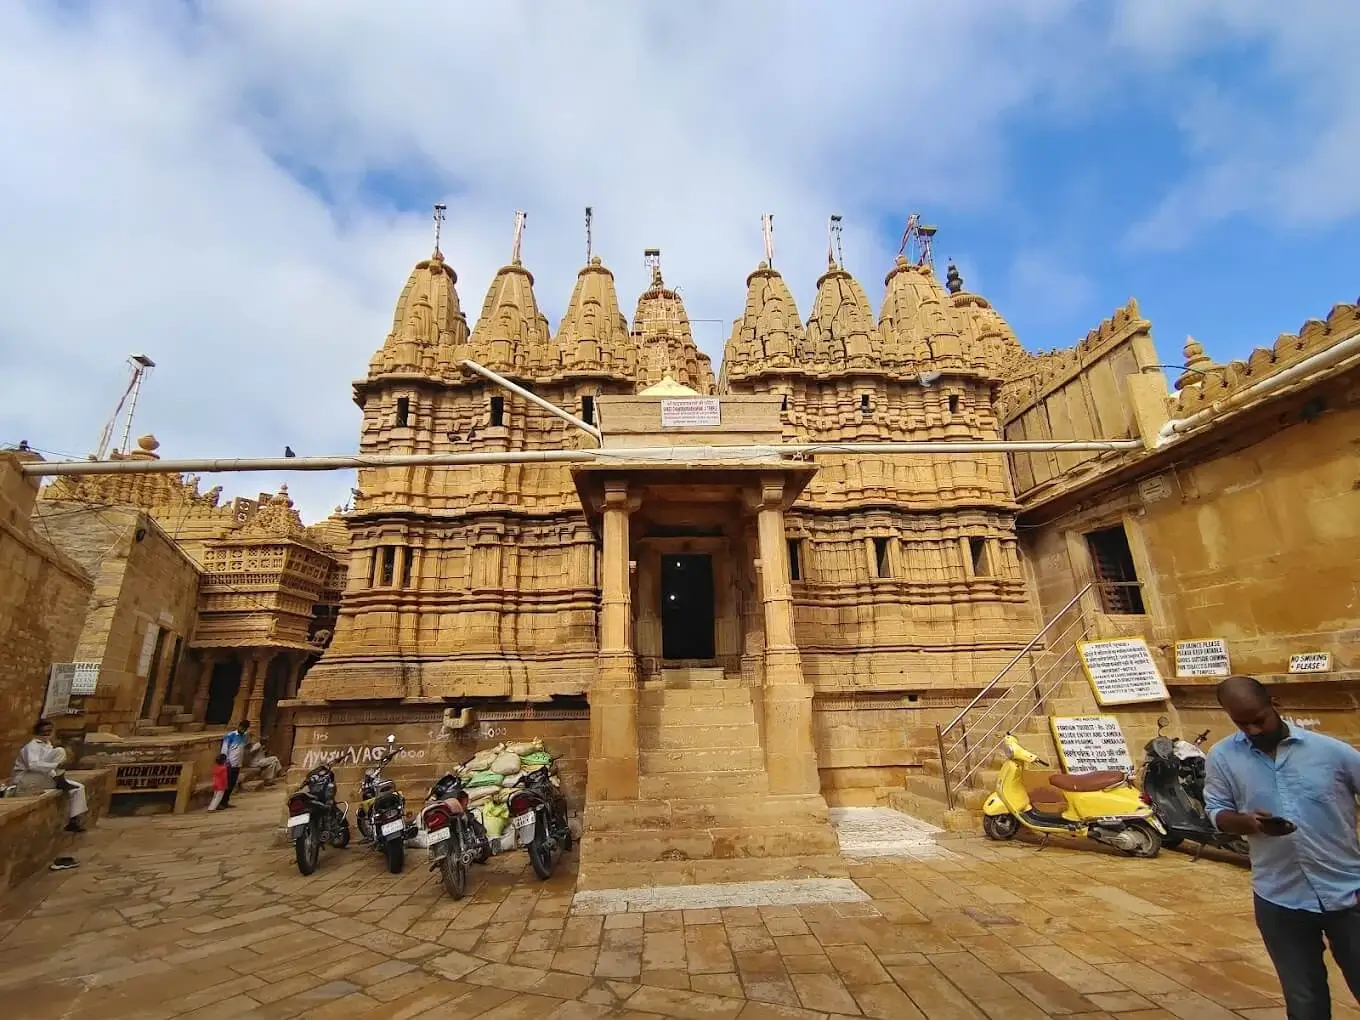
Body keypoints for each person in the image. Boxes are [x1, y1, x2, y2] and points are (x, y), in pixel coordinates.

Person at [1205, 675, 1360, 1019]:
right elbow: (1215, 810)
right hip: (1279, 899)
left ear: (1274, 703)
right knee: (1304, 1003)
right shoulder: (1222, 757)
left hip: (1348, 894)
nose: (1254, 730)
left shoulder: (1331, 752)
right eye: (1242, 724)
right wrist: (1245, 823)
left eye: (1258, 719)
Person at [12, 719, 88, 832]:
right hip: (26, 779)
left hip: (44, 777)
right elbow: (33, 766)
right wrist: (56, 765)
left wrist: (56, 769)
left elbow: (48, 766)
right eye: (45, 731)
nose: (47, 733)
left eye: (49, 731)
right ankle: (59, 780)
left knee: (78, 787)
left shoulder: (48, 745)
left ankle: (73, 820)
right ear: (38, 732)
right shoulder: (31, 747)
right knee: (58, 757)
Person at [219, 720, 250, 808]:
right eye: (241, 728)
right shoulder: (230, 736)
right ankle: (220, 802)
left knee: (232, 783)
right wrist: (225, 761)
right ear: (239, 726)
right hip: (229, 763)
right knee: (227, 783)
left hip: (238, 763)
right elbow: (224, 749)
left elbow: (245, 746)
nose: (242, 730)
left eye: (244, 729)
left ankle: (225, 801)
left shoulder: (245, 736)